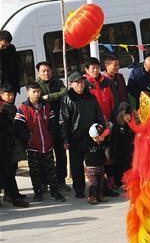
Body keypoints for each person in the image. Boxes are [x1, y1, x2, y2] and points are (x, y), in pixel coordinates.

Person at [15, 82, 66, 202]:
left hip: (47, 145)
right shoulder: (22, 108)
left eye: (38, 91)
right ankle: (38, 193)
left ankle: (55, 192)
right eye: (34, 92)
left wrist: (50, 136)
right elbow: (19, 127)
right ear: (28, 92)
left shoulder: (46, 106)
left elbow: (53, 123)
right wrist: (29, 139)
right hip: (33, 147)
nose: (37, 94)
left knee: (51, 171)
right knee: (35, 171)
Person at [59, 72, 105, 198]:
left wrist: (101, 130)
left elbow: (99, 116)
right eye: (77, 82)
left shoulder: (91, 97)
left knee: (95, 164)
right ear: (71, 84)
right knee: (76, 165)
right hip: (75, 138)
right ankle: (79, 190)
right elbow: (63, 121)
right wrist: (65, 139)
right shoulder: (67, 98)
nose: (80, 85)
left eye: (82, 82)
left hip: (91, 137)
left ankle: (97, 189)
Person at [35, 61, 70, 190]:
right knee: (45, 156)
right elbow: (37, 99)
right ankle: (45, 182)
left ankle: (61, 181)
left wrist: (49, 96)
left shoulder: (57, 82)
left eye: (48, 70)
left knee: (61, 155)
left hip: (59, 123)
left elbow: (64, 92)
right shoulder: (36, 85)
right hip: (44, 125)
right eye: (43, 71)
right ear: (39, 73)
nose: (46, 73)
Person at [0, 85, 28, 207]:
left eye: (12, 94)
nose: (11, 97)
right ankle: (13, 196)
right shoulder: (4, 110)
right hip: (5, 147)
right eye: (7, 94)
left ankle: (11, 194)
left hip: (11, 146)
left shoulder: (10, 109)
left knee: (11, 171)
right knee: (8, 173)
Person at [109, 102, 135, 188]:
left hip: (129, 153)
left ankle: (128, 182)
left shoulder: (131, 126)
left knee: (129, 167)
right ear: (121, 114)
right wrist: (112, 154)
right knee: (120, 169)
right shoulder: (117, 126)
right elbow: (113, 142)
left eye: (129, 115)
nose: (128, 117)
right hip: (119, 154)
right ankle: (119, 182)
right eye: (126, 115)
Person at [83, 123, 110, 204]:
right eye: (102, 135)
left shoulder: (103, 142)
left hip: (101, 166)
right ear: (95, 137)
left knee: (101, 182)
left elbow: (107, 147)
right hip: (91, 167)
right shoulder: (87, 142)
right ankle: (91, 197)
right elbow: (80, 150)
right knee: (93, 183)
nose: (104, 136)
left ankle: (100, 195)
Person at [84, 57, 115, 125]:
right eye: (93, 68)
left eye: (97, 68)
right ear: (86, 70)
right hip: (93, 123)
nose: (96, 70)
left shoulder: (107, 82)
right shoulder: (83, 85)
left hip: (109, 120)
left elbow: (114, 102)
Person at [0, 30, 20, 97]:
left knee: (10, 106)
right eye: (3, 46)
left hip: (11, 85)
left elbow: (15, 67)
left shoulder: (11, 48)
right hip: (1, 87)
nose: (5, 48)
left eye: (7, 46)